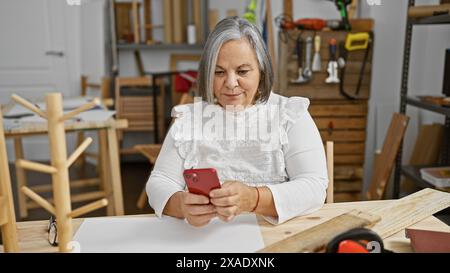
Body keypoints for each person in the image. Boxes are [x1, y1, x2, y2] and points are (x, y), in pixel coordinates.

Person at [146, 17, 328, 227]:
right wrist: (180, 205)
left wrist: (254, 199)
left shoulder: (289, 114)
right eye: (219, 72)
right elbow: (159, 182)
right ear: (207, 73)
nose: (231, 84)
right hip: (204, 239)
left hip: (273, 237)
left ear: (261, 70)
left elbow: (314, 187)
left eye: (242, 71)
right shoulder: (190, 119)